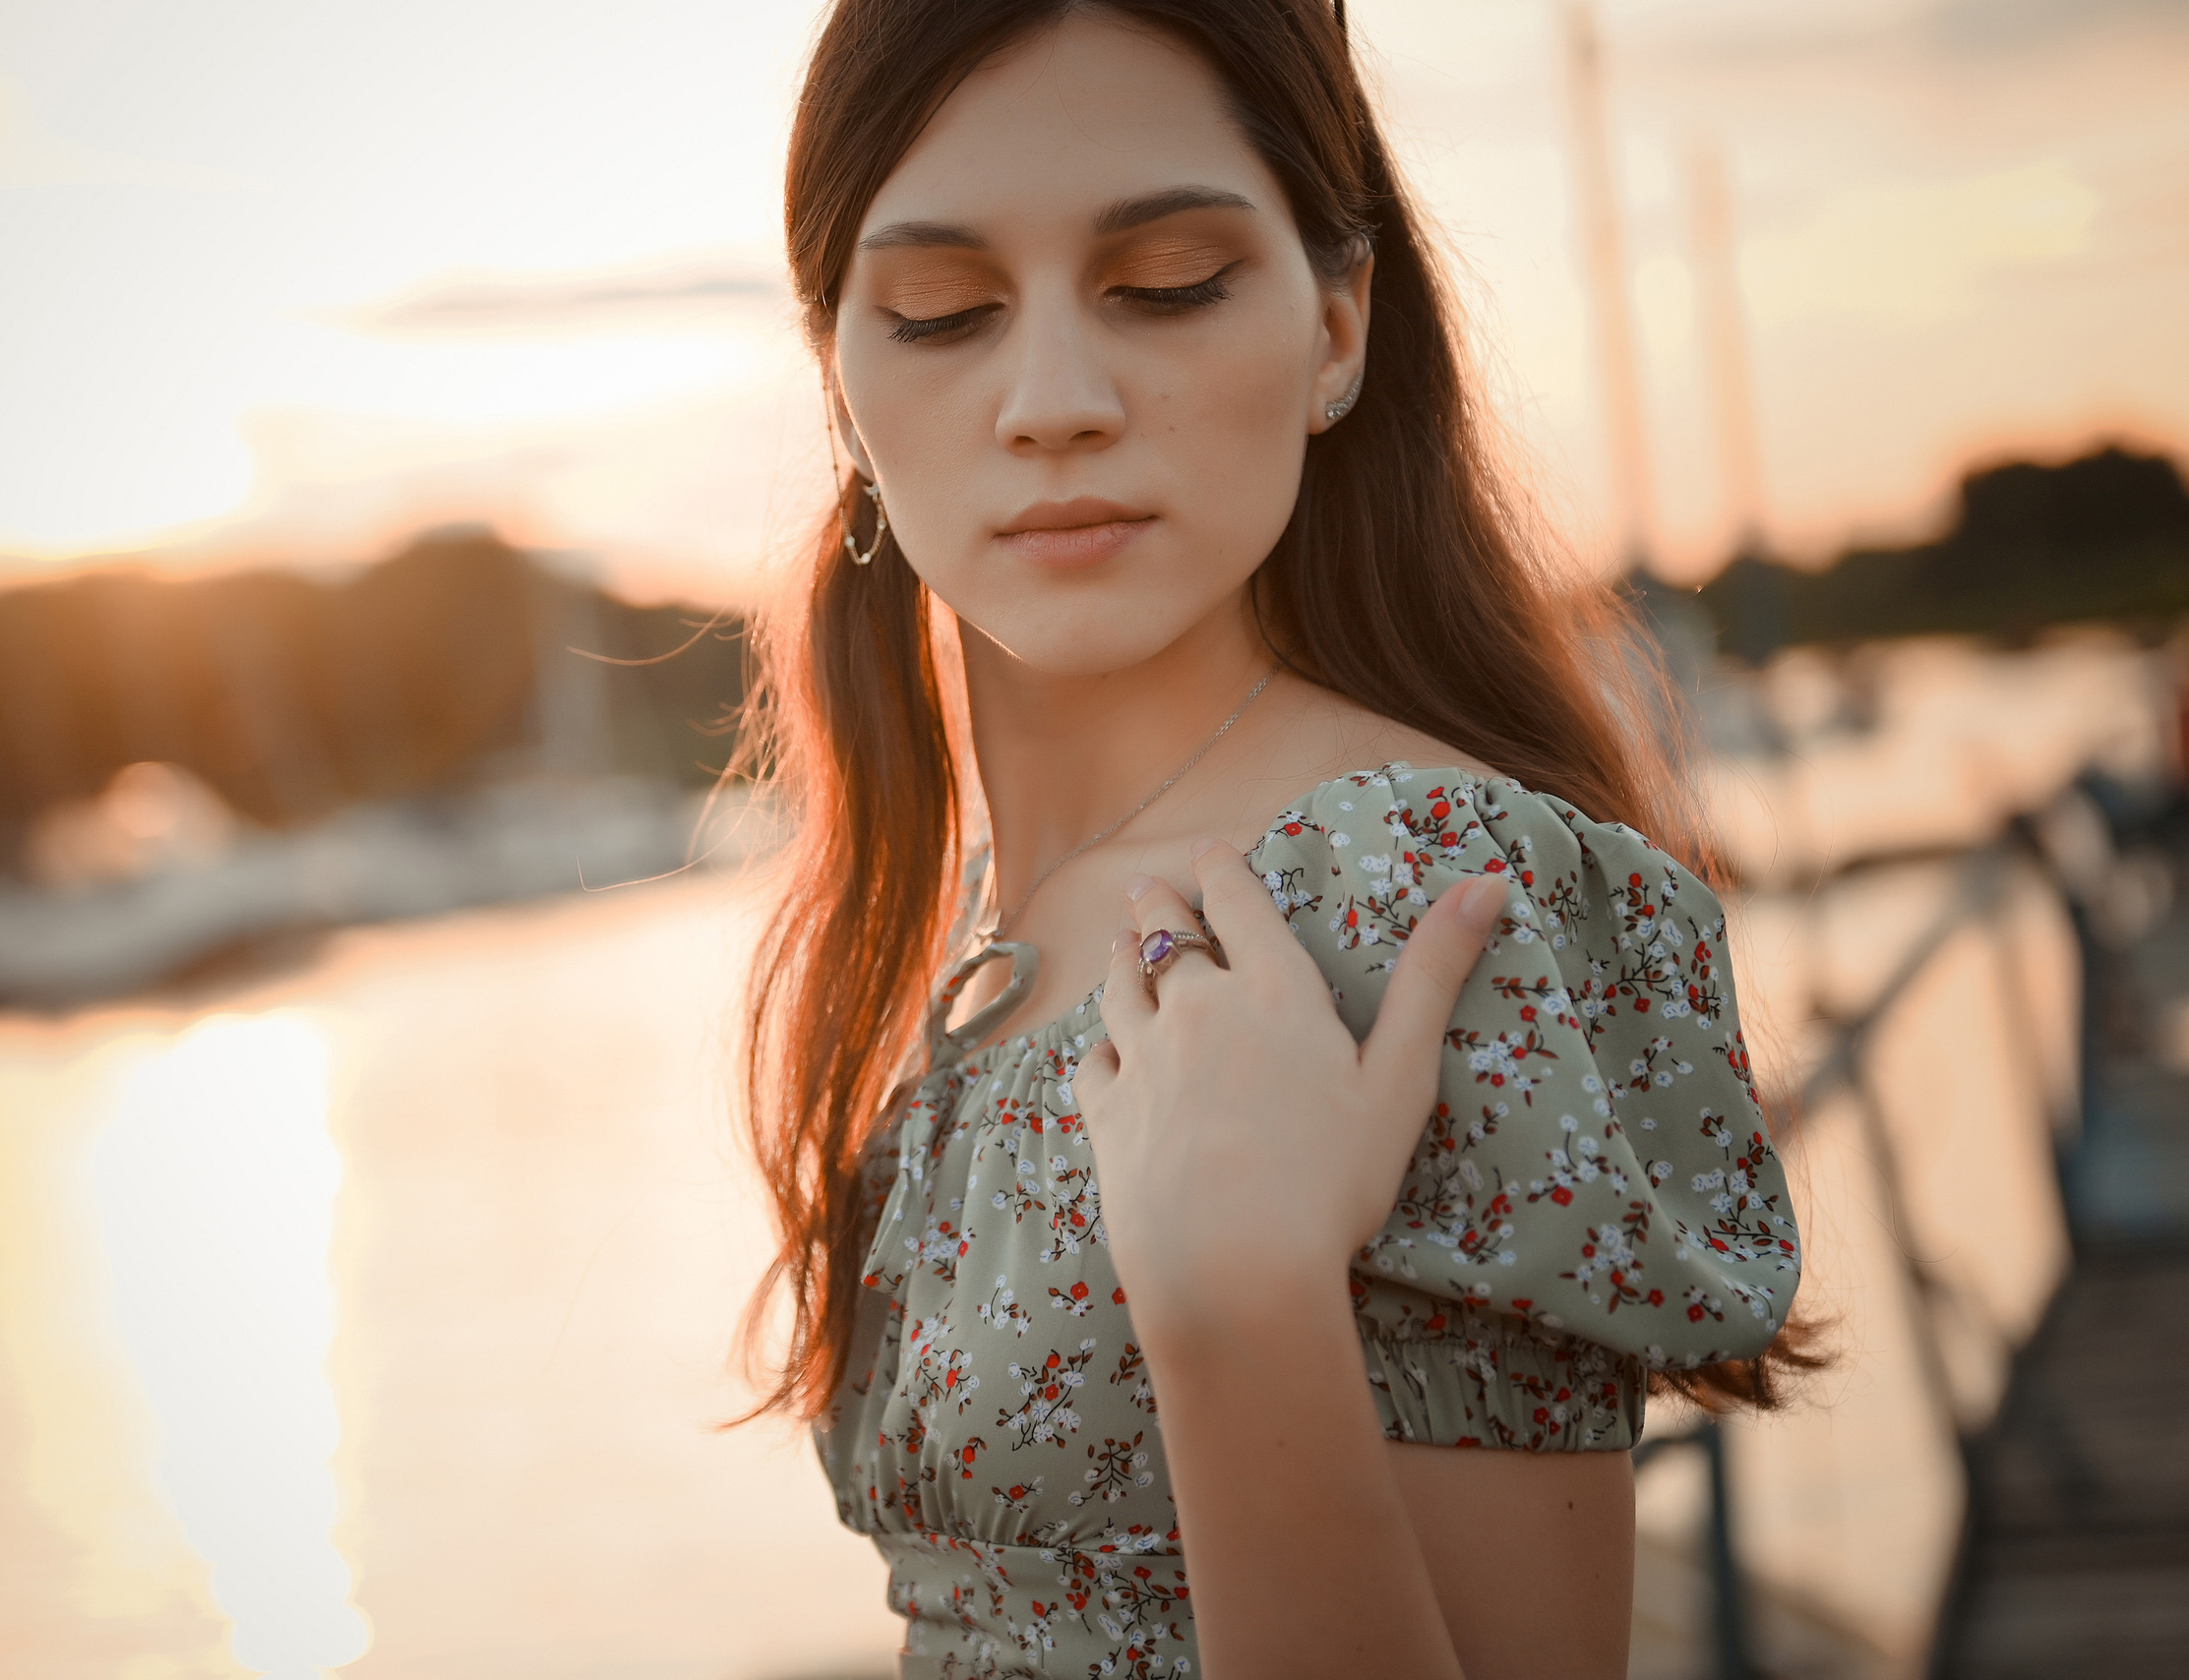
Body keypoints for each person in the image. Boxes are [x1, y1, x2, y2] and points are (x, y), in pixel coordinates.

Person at [731, 3, 1807, 1673]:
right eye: (941, 312)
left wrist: (1243, 1312)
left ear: (1335, 331)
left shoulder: (1402, 892)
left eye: (1168, 283)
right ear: (837, 385)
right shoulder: (974, 926)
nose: (1054, 401)